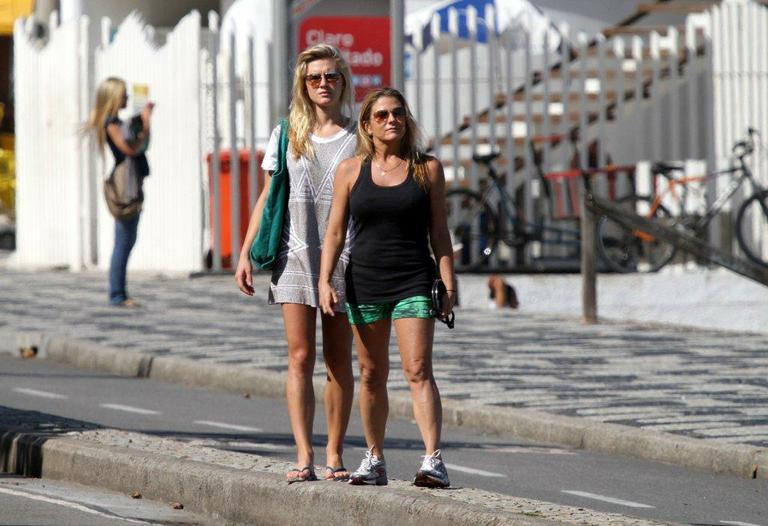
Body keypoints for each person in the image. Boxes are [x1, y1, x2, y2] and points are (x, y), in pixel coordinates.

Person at [319, 87, 456, 488]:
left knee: (418, 370)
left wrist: (448, 284)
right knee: (372, 372)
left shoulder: (427, 169)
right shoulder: (351, 170)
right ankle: (374, 457)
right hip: (365, 281)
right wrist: (326, 279)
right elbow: (334, 233)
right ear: (367, 125)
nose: (391, 120)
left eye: (397, 113)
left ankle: (433, 459)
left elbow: (440, 233)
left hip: (414, 278)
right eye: (381, 115)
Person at [235, 44, 357, 483]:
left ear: (343, 81)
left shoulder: (360, 134)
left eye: (330, 76)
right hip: (294, 253)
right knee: (300, 356)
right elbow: (269, 196)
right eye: (314, 78)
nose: (323, 84)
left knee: (339, 361)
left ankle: (335, 453)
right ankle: (303, 454)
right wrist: (246, 251)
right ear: (303, 85)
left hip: (345, 257)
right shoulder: (287, 133)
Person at [84, 77, 153, 307]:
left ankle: (119, 292)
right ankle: (117, 294)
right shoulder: (111, 123)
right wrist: (146, 122)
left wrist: (142, 123)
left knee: (127, 238)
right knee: (124, 239)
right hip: (125, 183)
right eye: (123, 94)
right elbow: (130, 148)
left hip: (130, 179)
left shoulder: (116, 122)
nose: (126, 98)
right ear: (113, 96)